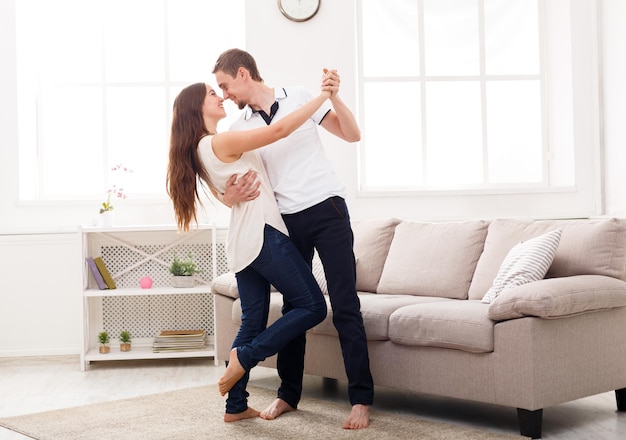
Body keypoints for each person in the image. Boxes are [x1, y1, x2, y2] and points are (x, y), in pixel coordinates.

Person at [213, 49, 373, 430]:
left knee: (345, 303)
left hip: (327, 209)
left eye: (224, 85)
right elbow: (226, 177)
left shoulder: (301, 97)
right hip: (286, 222)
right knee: (295, 308)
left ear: (242, 73)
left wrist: (333, 95)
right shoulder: (240, 128)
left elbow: (352, 134)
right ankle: (288, 394)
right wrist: (227, 197)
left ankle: (361, 400)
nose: (224, 94)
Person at [166, 81, 332, 422]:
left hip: (243, 242)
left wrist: (228, 197)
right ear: (197, 107)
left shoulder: (201, 150)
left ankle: (236, 406)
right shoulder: (218, 141)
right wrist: (323, 96)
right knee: (313, 306)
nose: (221, 96)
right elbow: (281, 129)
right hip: (263, 234)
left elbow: (229, 189)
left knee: (252, 321)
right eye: (213, 94)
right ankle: (247, 356)